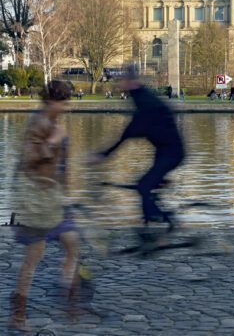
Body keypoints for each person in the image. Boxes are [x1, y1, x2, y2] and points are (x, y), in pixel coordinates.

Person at [9, 81, 79, 331]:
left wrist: (67, 193)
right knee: (33, 257)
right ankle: (18, 316)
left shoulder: (55, 123)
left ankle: (68, 298)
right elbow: (30, 161)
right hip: (38, 201)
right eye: (63, 102)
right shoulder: (38, 123)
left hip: (56, 198)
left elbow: (62, 166)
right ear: (51, 101)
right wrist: (52, 141)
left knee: (72, 244)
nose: (66, 107)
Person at [89, 67, 185, 227]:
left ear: (130, 82)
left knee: (143, 186)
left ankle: (158, 225)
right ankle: (151, 223)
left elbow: (127, 134)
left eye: (122, 81)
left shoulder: (145, 101)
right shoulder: (140, 97)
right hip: (164, 151)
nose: (119, 84)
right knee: (145, 185)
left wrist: (103, 155)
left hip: (171, 153)